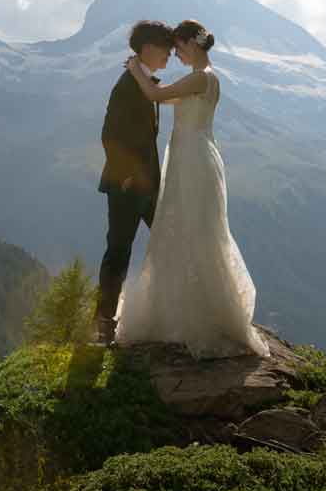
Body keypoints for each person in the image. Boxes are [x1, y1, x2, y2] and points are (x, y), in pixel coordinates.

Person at [113, 19, 267, 357]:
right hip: (199, 156)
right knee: (198, 229)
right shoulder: (208, 78)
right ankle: (202, 306)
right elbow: (169, 98)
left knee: (189, 228)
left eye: (179, 47)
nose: (176, 53)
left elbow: (156, 95)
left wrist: (134, 70)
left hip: (191, 159)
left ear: (191, 45)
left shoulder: (199, 77)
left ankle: (187, 313)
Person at [94, 19, 175, 346]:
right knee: (118, 251)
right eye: (166, 49)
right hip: (127, 186)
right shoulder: (126, 86)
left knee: (171, 241)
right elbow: (110, 135)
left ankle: (167, 314)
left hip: (150, 187)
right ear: (149, 48)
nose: (169, 55)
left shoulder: (143, 83)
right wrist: (126, 175)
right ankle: (103, 324)